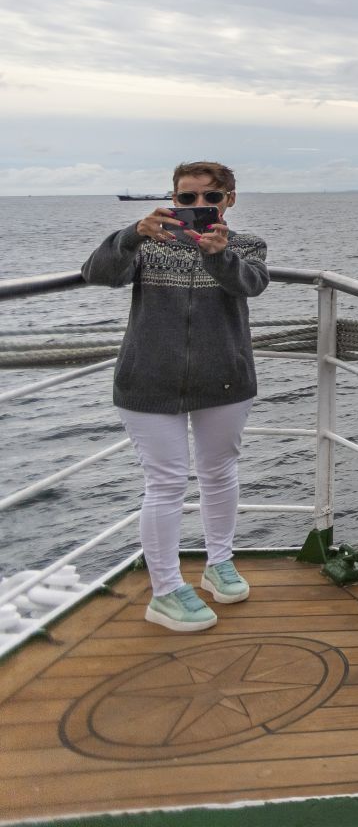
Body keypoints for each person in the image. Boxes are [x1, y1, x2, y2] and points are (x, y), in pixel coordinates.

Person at [81, 161, 269, 632]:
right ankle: (165, 589)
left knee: (219, 471)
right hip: (147, 381)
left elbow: (250, 284)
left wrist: (218, 255)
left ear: (230, 199)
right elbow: (97, 274)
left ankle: (218, 562)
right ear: (172, 200)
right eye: (187, 199)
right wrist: (131, 235)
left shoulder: (246, 245)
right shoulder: (148, 244)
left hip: (224, 380)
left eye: (212, 197)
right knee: (165, 484)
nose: (199, 207)